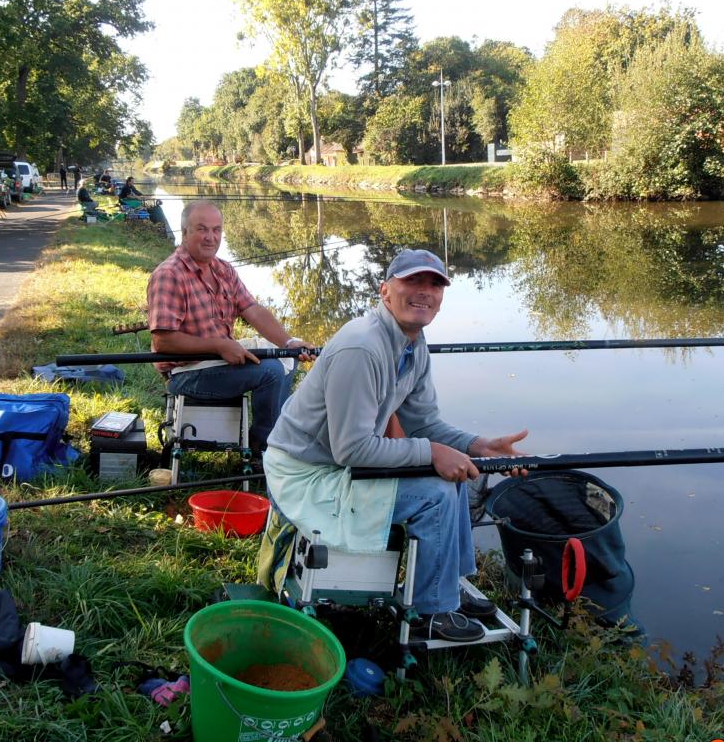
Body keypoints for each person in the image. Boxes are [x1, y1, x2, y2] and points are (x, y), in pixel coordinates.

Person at [263, 249, 529, 642]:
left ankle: (447, 588)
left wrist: (479, 445)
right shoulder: (363, 347)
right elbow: (352, 450)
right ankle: (432, 613)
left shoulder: (413, 345)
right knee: (436, 492)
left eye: (435, 285)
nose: (424, 293)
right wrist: (431, 454)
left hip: (337, 465)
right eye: (413, 282)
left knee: (450, 481)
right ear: (385, 291)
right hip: (305, 475)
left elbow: (426, 423)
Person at [147, 200, 313, 453]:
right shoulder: (169, 274)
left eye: (216, 230)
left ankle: (274, 435)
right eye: (202, 229)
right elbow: (164, 342)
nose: (210, 237)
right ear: (185, 233)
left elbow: (253, 310)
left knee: (287, 358)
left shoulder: (223, 269)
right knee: (270, 371)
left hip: (219, 362)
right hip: (186, 373)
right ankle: (265, 447)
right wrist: (219, 345)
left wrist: (289, 343)